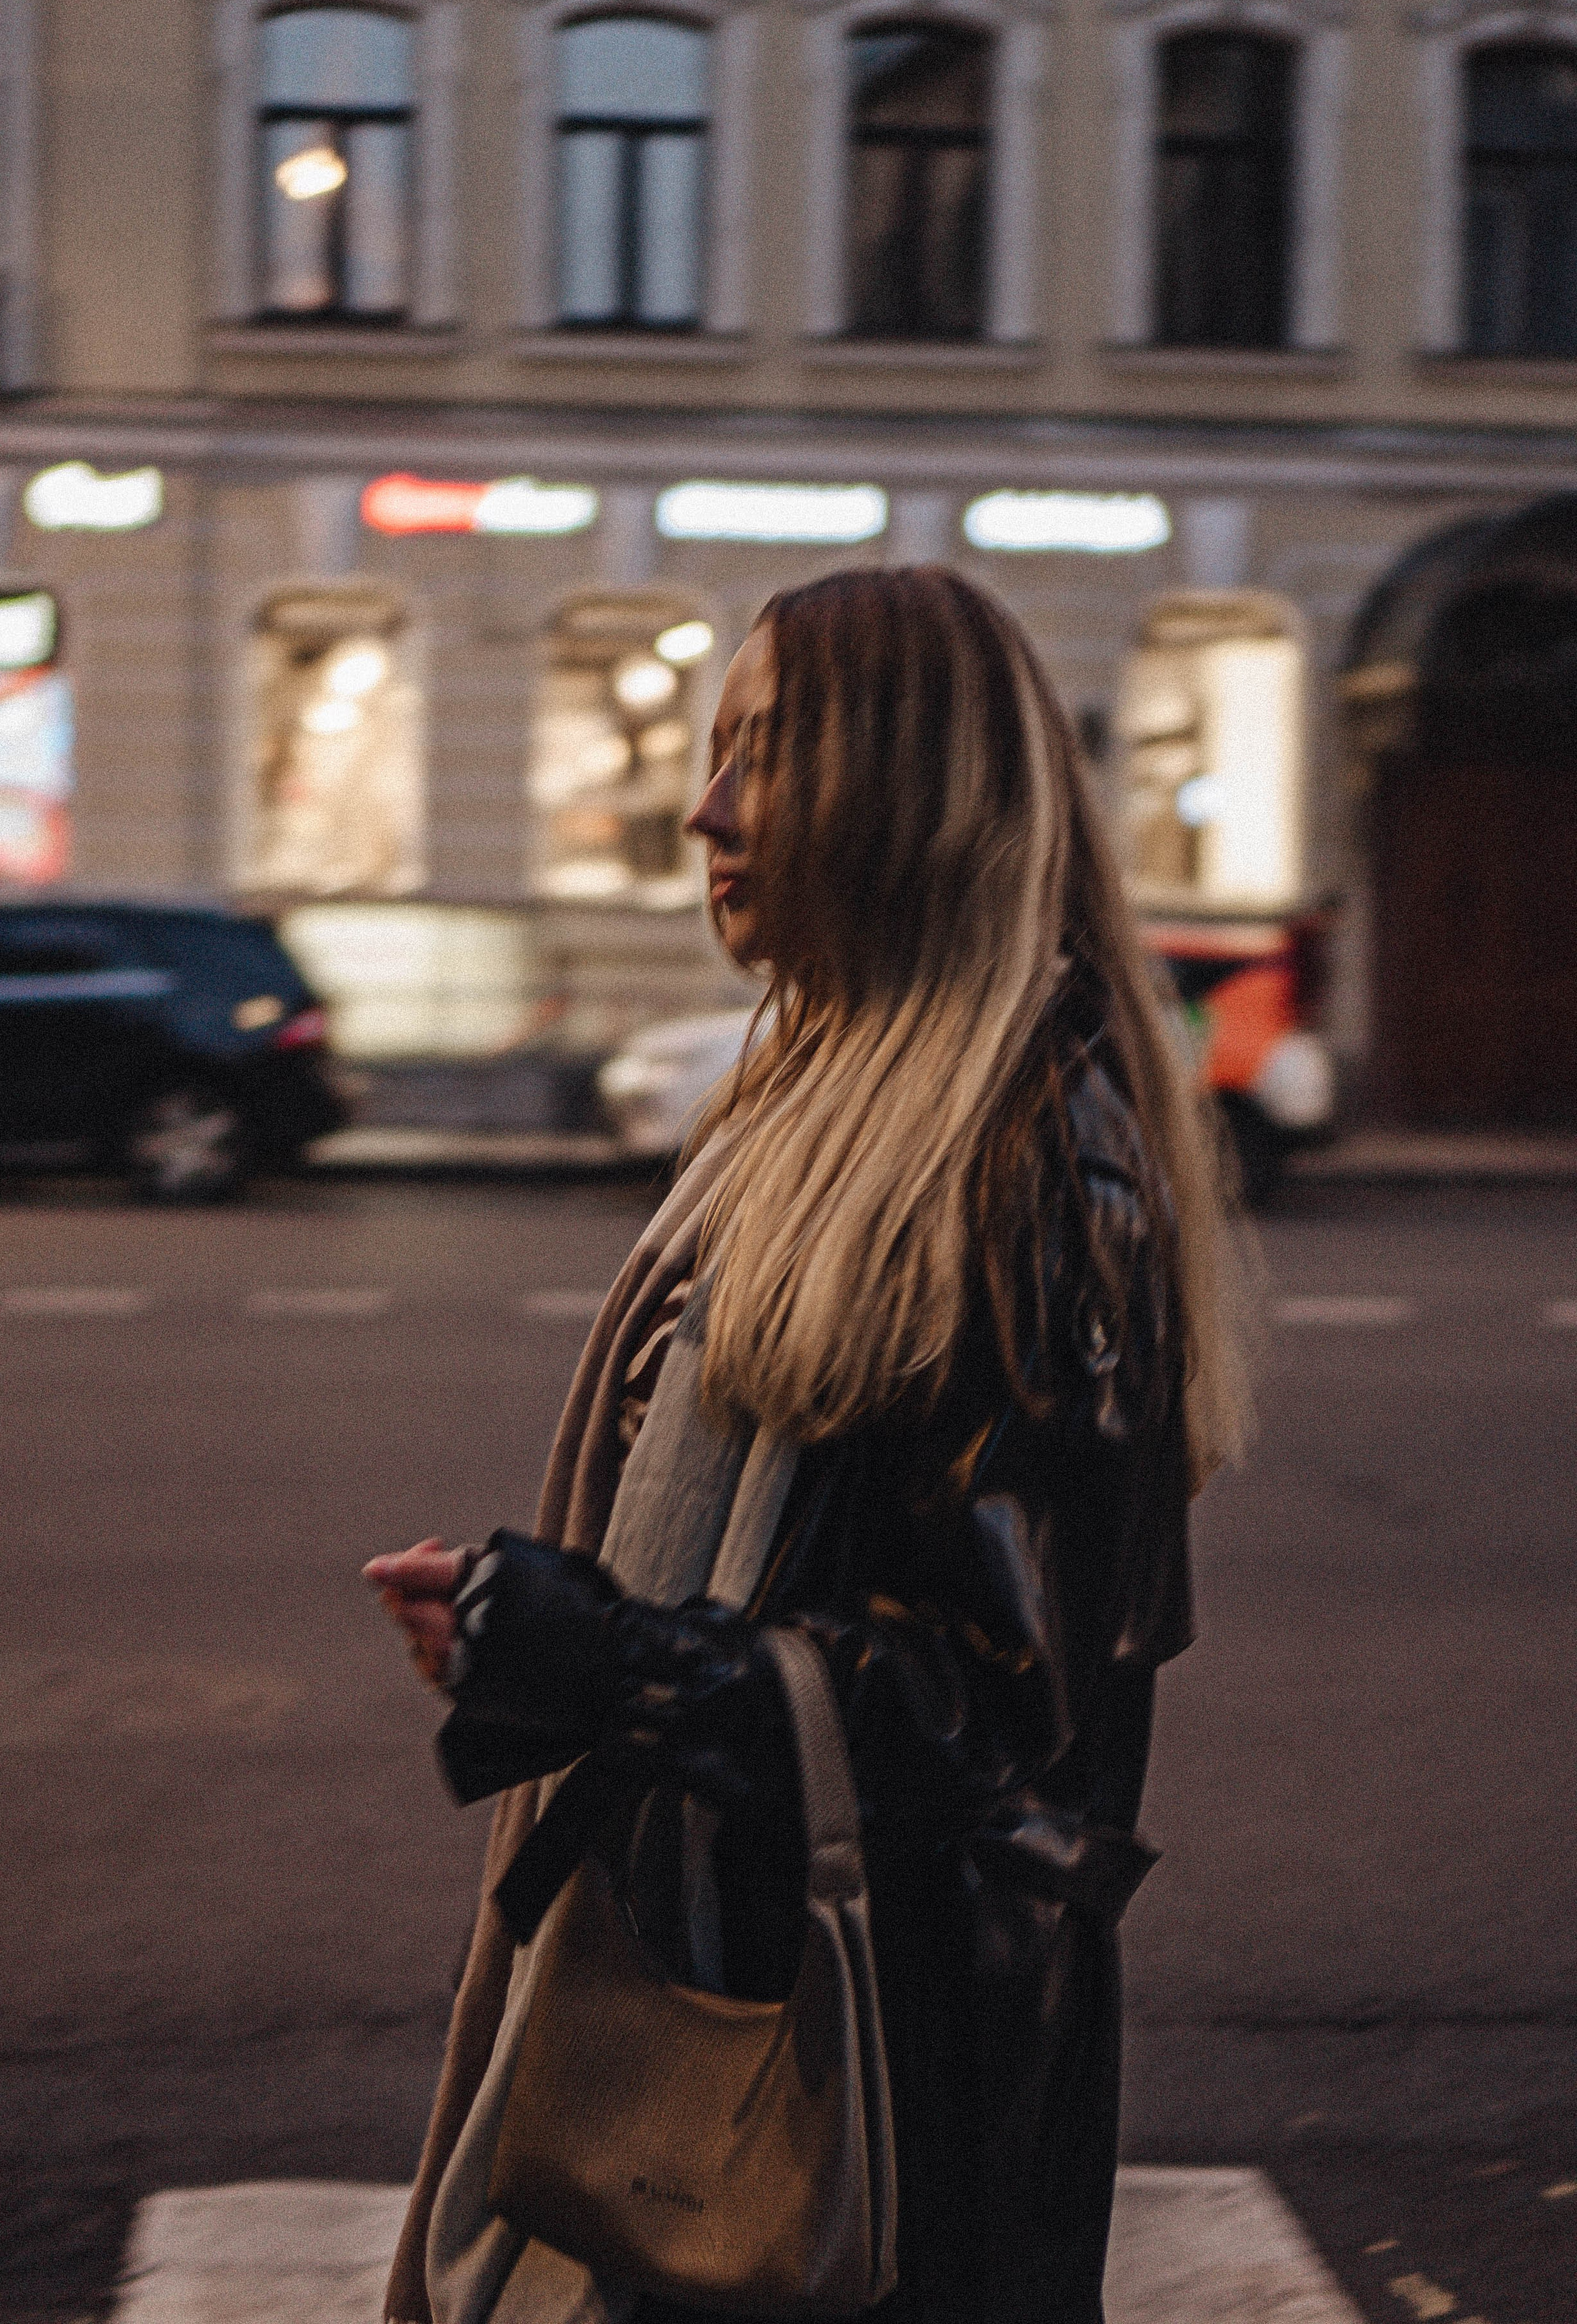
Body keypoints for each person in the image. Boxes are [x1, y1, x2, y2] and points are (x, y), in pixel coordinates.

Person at [366, 565, 1249, 2324]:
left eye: (764, 754)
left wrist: (608, 1659)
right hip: (770, 1989)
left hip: (883, 2090)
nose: (706, 809)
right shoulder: (832, 1091)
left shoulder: (1022, 1164)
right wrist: (537, 1635)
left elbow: (994, 1714)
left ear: (907, 795)